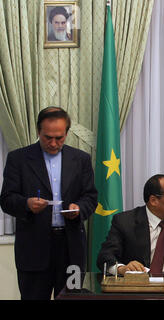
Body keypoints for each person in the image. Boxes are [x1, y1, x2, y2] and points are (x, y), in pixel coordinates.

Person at [0, 107, 98, 300]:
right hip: (33, 248)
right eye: (48, 137)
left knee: (72, 298)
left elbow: (90, 197)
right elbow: (6, 199)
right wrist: (26, 204)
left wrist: (78, 209)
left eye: (59, 138)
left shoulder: (81, 159)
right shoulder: (18, 159)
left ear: (67, 133)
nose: (53, 143)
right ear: (38, 131)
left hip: (71, 248)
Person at [97, 174, 164, 276]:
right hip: (136, 290)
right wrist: (122, 269)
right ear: (153, 200)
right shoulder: (125, 221)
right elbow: (105, 258)